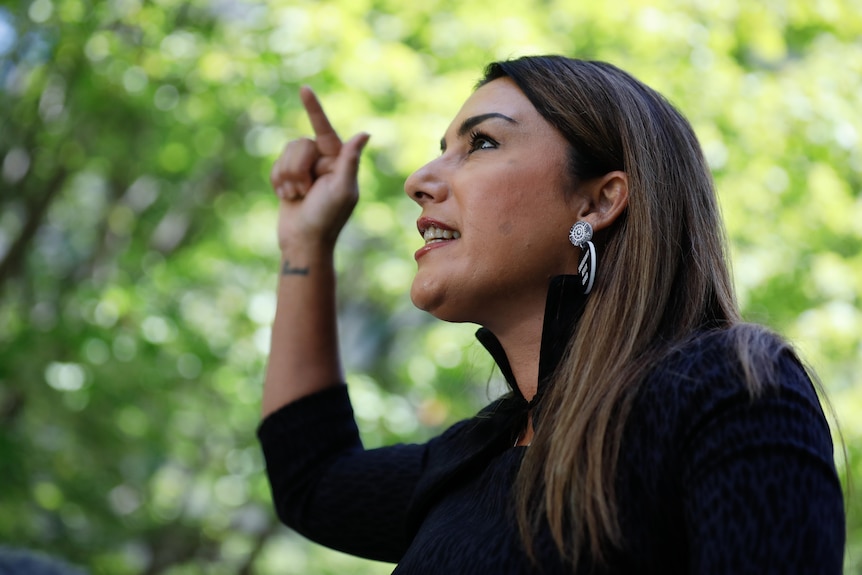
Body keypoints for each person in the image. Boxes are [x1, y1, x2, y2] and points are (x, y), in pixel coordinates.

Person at [257, 55, 845, 574]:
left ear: (598, 200)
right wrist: (305, 244)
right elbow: (312, 480)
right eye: (442, 151)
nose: (419, 181)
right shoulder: (480, 452)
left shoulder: (729, 388)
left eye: (480, 143)